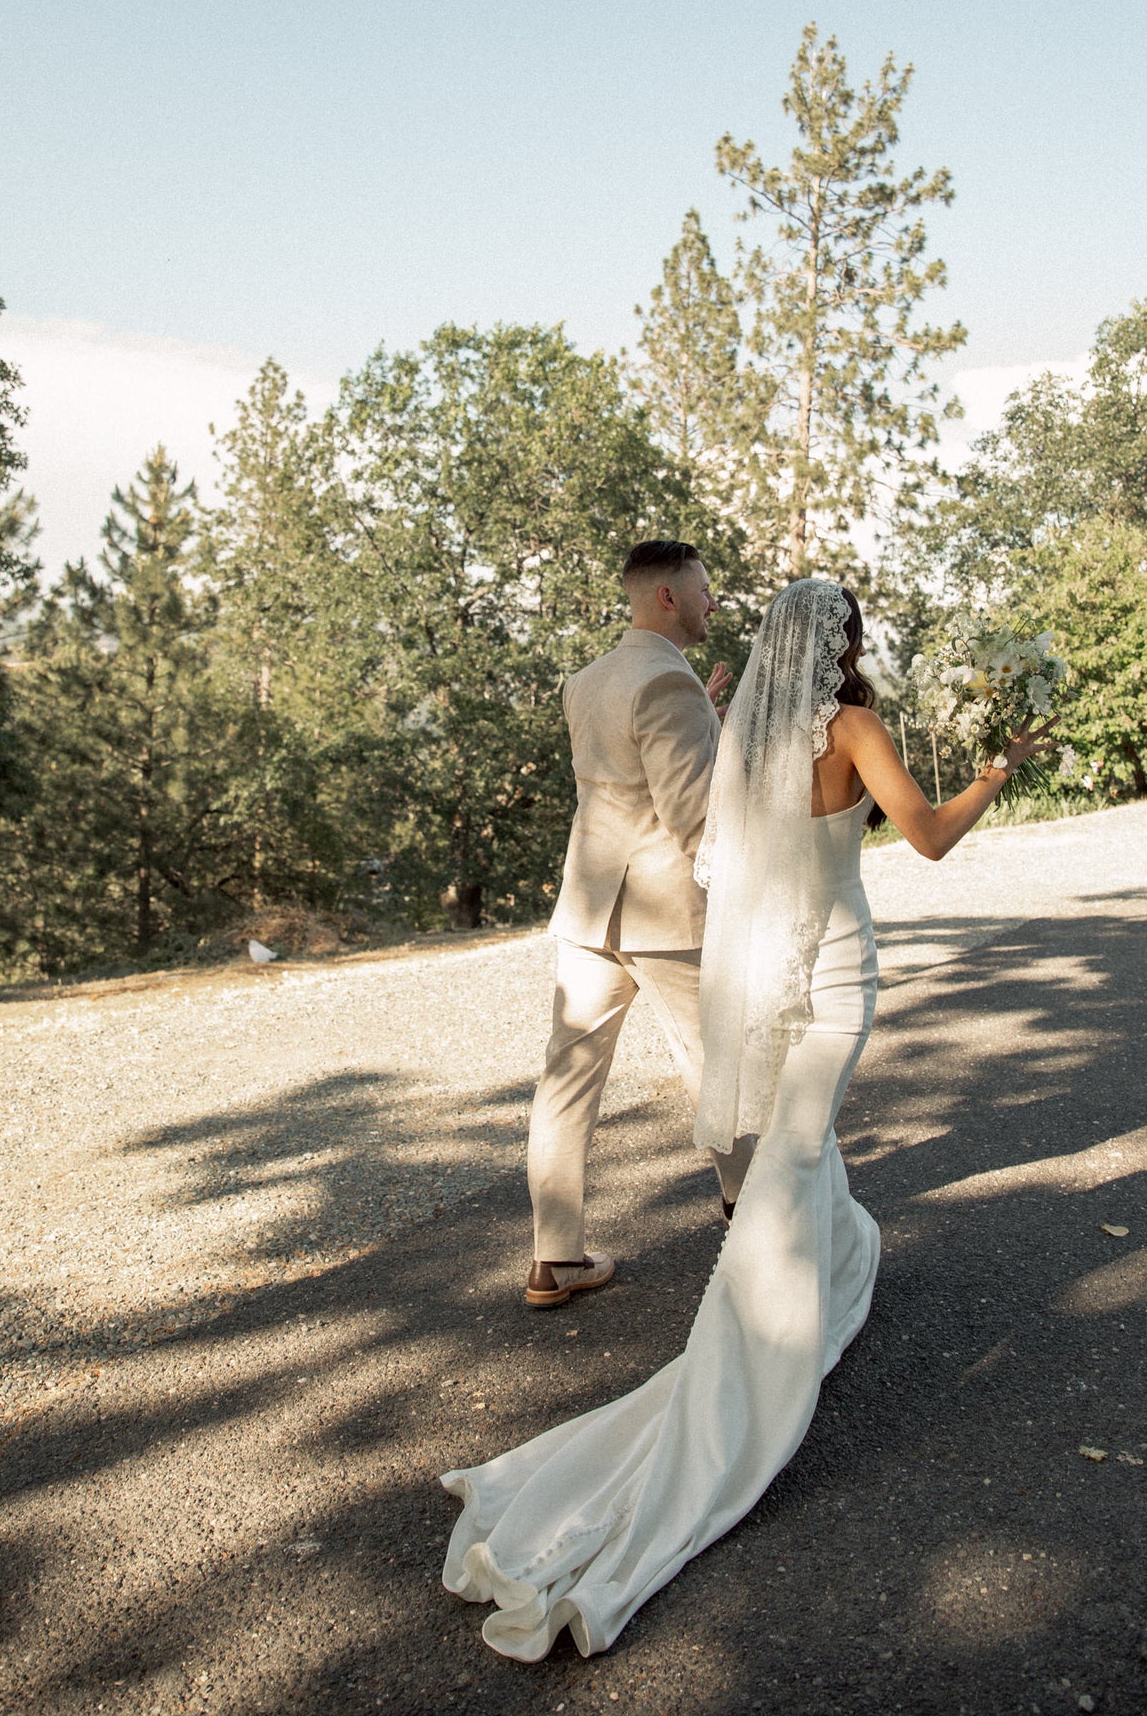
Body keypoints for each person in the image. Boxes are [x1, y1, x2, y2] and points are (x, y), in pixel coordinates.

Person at [443, 579, 1048, 1659]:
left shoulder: (737, 733)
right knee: (791, 1158)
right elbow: (927, 835)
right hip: (840, 976)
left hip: (771, 974)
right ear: (841, 645)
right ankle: (741, 1378)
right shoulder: (853, 725)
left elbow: (718, 859)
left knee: (797, 1150)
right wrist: (1001, 765)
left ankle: (837, 1261)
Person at [524, 540, 753, 1310]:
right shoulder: (666, 679)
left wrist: (704, 728)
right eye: (702, 590)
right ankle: (754, 1224)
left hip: (589, 908)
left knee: (566, 1080)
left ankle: (554, 1259)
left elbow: (623, 776)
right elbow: (693, 818)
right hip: (662, 912)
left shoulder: (587, 680)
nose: (710, 603)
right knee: (714, 1068)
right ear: (666, 598)